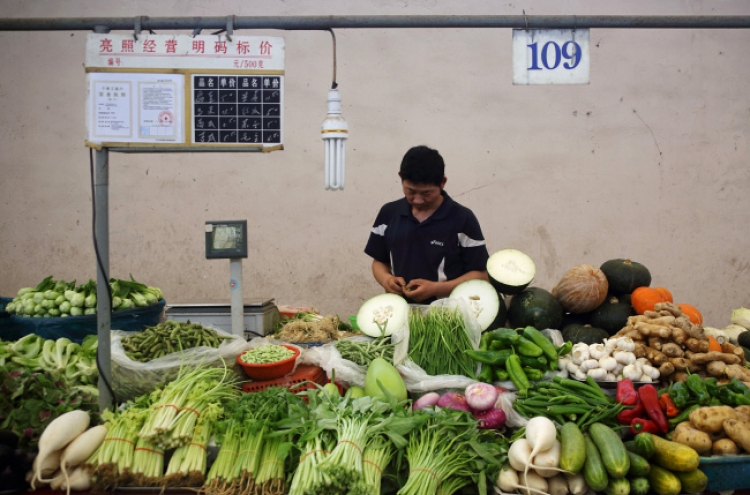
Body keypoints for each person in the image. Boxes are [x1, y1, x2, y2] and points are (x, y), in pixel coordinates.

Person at [364, 145, 490, 304]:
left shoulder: (462, 218)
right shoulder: (388, 213)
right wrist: (386, 279)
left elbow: (481, 276)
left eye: (426, 193)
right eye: (410, 191)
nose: (417, 199)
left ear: (442, 182)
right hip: (402, 311)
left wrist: (437, 289)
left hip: (448, 314)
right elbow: (379, 261)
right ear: (400, 177)